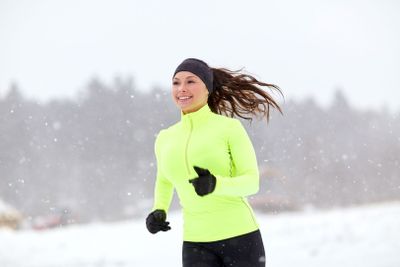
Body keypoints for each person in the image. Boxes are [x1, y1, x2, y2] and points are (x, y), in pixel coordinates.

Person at [146, 58, 283, 267]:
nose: (182, 88)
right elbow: (164, 180)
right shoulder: (165, 138)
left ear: (207, 88)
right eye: (176, 82)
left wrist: (215, 184)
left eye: (191, 81)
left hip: (240, 237)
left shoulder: (229, 128)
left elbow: (251, 182)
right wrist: (159, 210)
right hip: (195, 242)